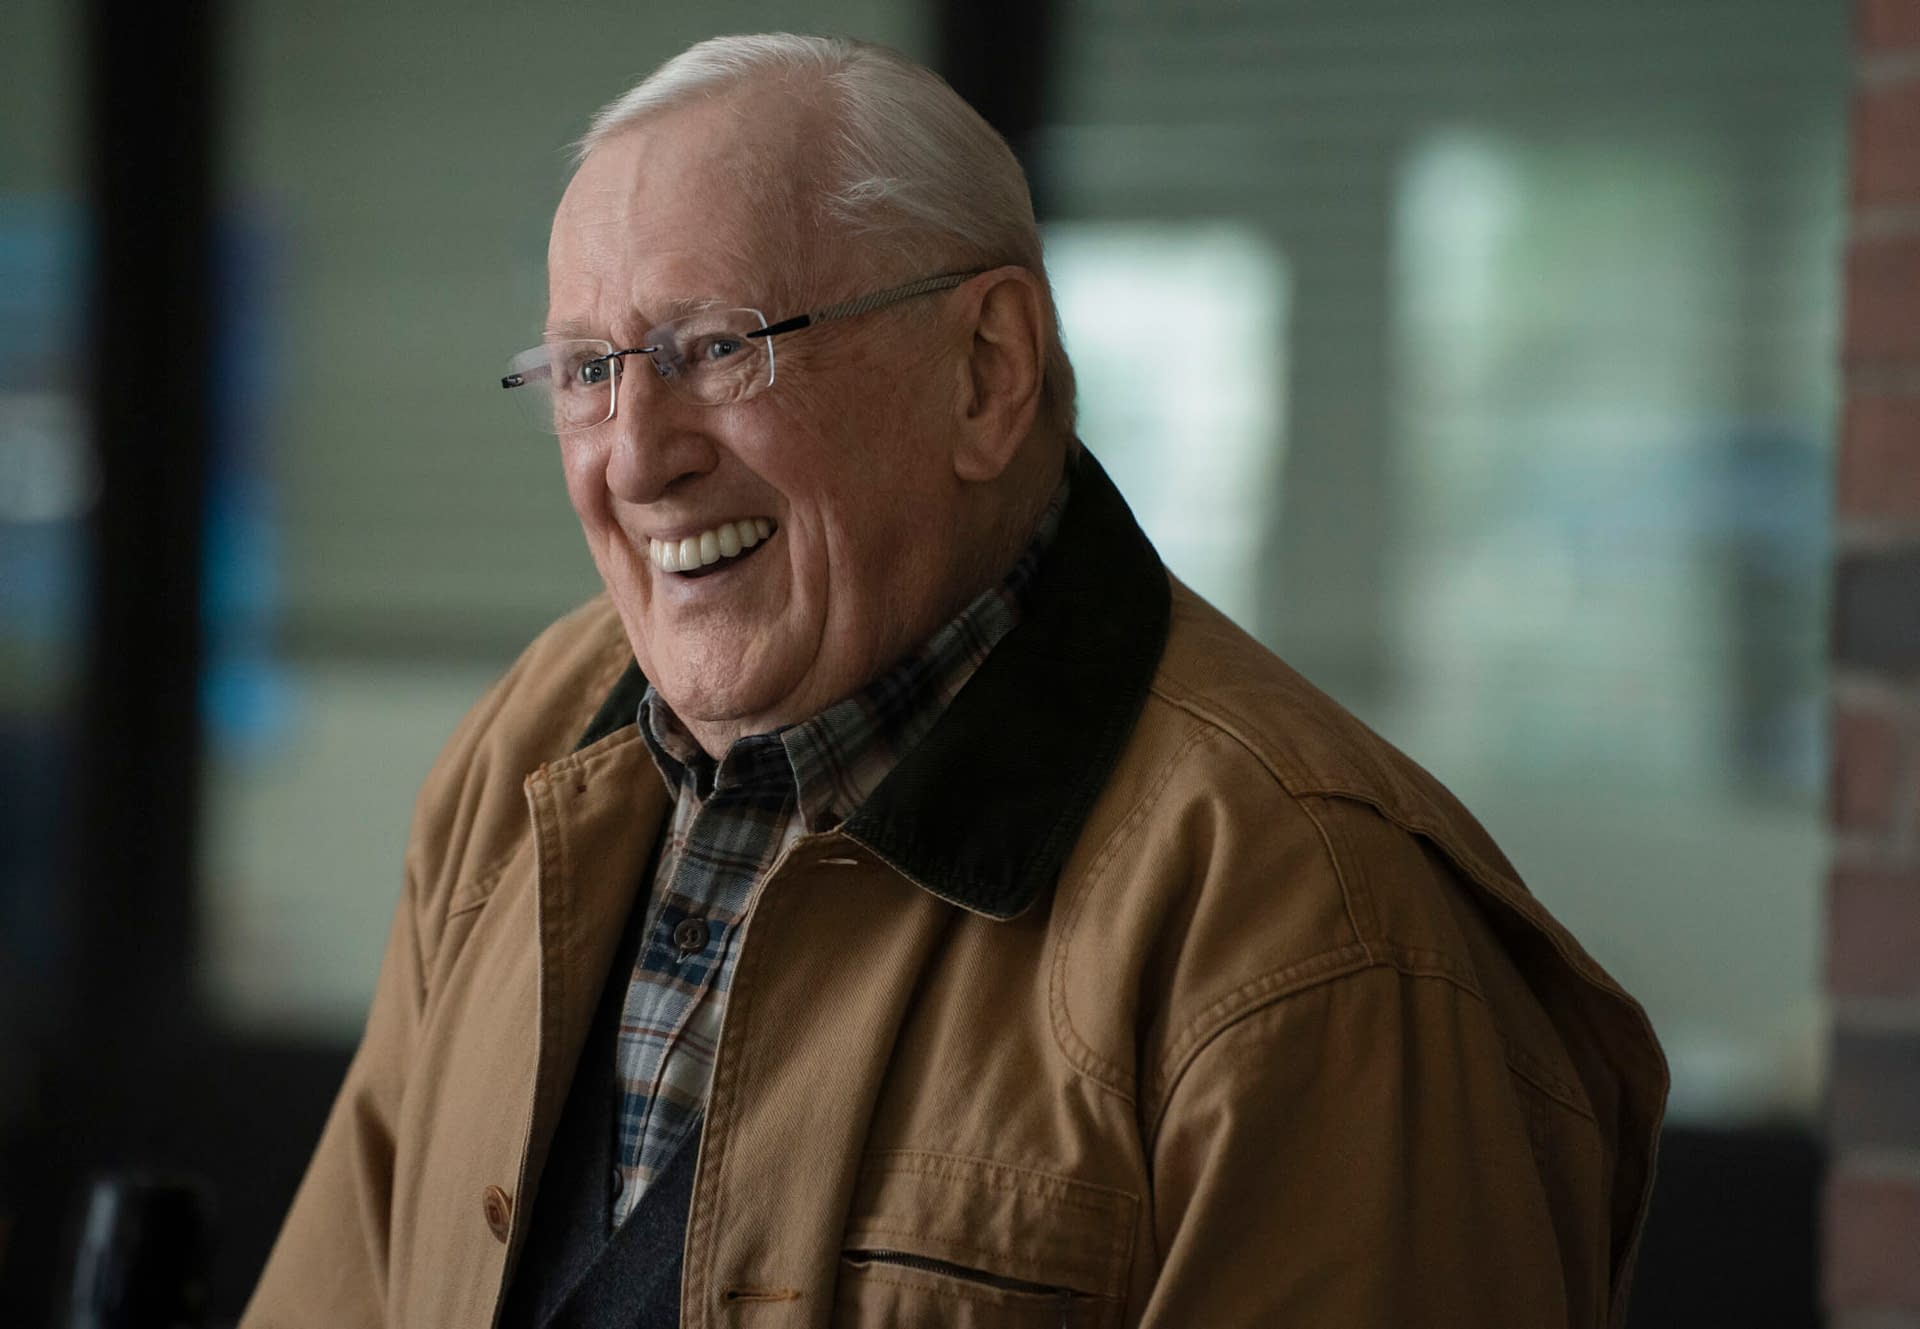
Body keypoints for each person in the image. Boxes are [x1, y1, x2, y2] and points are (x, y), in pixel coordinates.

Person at [244, 33, 1666, 1329]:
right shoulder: (535, 742)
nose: (634, 456)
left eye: (717, 349)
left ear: (987, 370)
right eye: (585, 372)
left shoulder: (1311, 923)